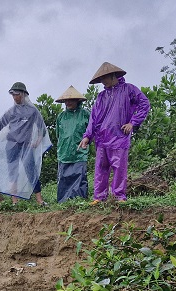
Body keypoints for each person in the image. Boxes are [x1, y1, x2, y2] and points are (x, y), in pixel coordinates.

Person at [78, 62, 150, 202]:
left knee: (119, 168)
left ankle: (118, 196)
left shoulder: (129, 89)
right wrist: (87, 136)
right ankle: (99, 197)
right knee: (101, 168)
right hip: (101, 138)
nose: (103, 82)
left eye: (104, 78)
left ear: (113, 76)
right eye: (101, 79)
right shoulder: (101, 96)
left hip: (119, 136)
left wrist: (133, 122)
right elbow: (94, 117)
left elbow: (144, 103)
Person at [0, 82, 51, 205]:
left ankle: (40, 200)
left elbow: (42, 130)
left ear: (23, 94)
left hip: (26, 147)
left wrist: (36, 142)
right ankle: (15, 202)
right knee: (12, 173)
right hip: (12, 146)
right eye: (12, 95)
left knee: (31, 172)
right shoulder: (11, 112)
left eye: (17, 94)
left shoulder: (32, 111)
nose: (14, 97)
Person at [54, 85, 90, 203]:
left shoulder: (85, 114)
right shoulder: (61, 116)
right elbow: (58, 135)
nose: (68, 102)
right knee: (64, 178)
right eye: (66, 100)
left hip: (80, 152)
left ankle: (79, 200)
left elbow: (91, 131)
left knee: (79, 176)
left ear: (77, 100)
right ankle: (63, 202)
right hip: (64, 152)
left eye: (70, 100)